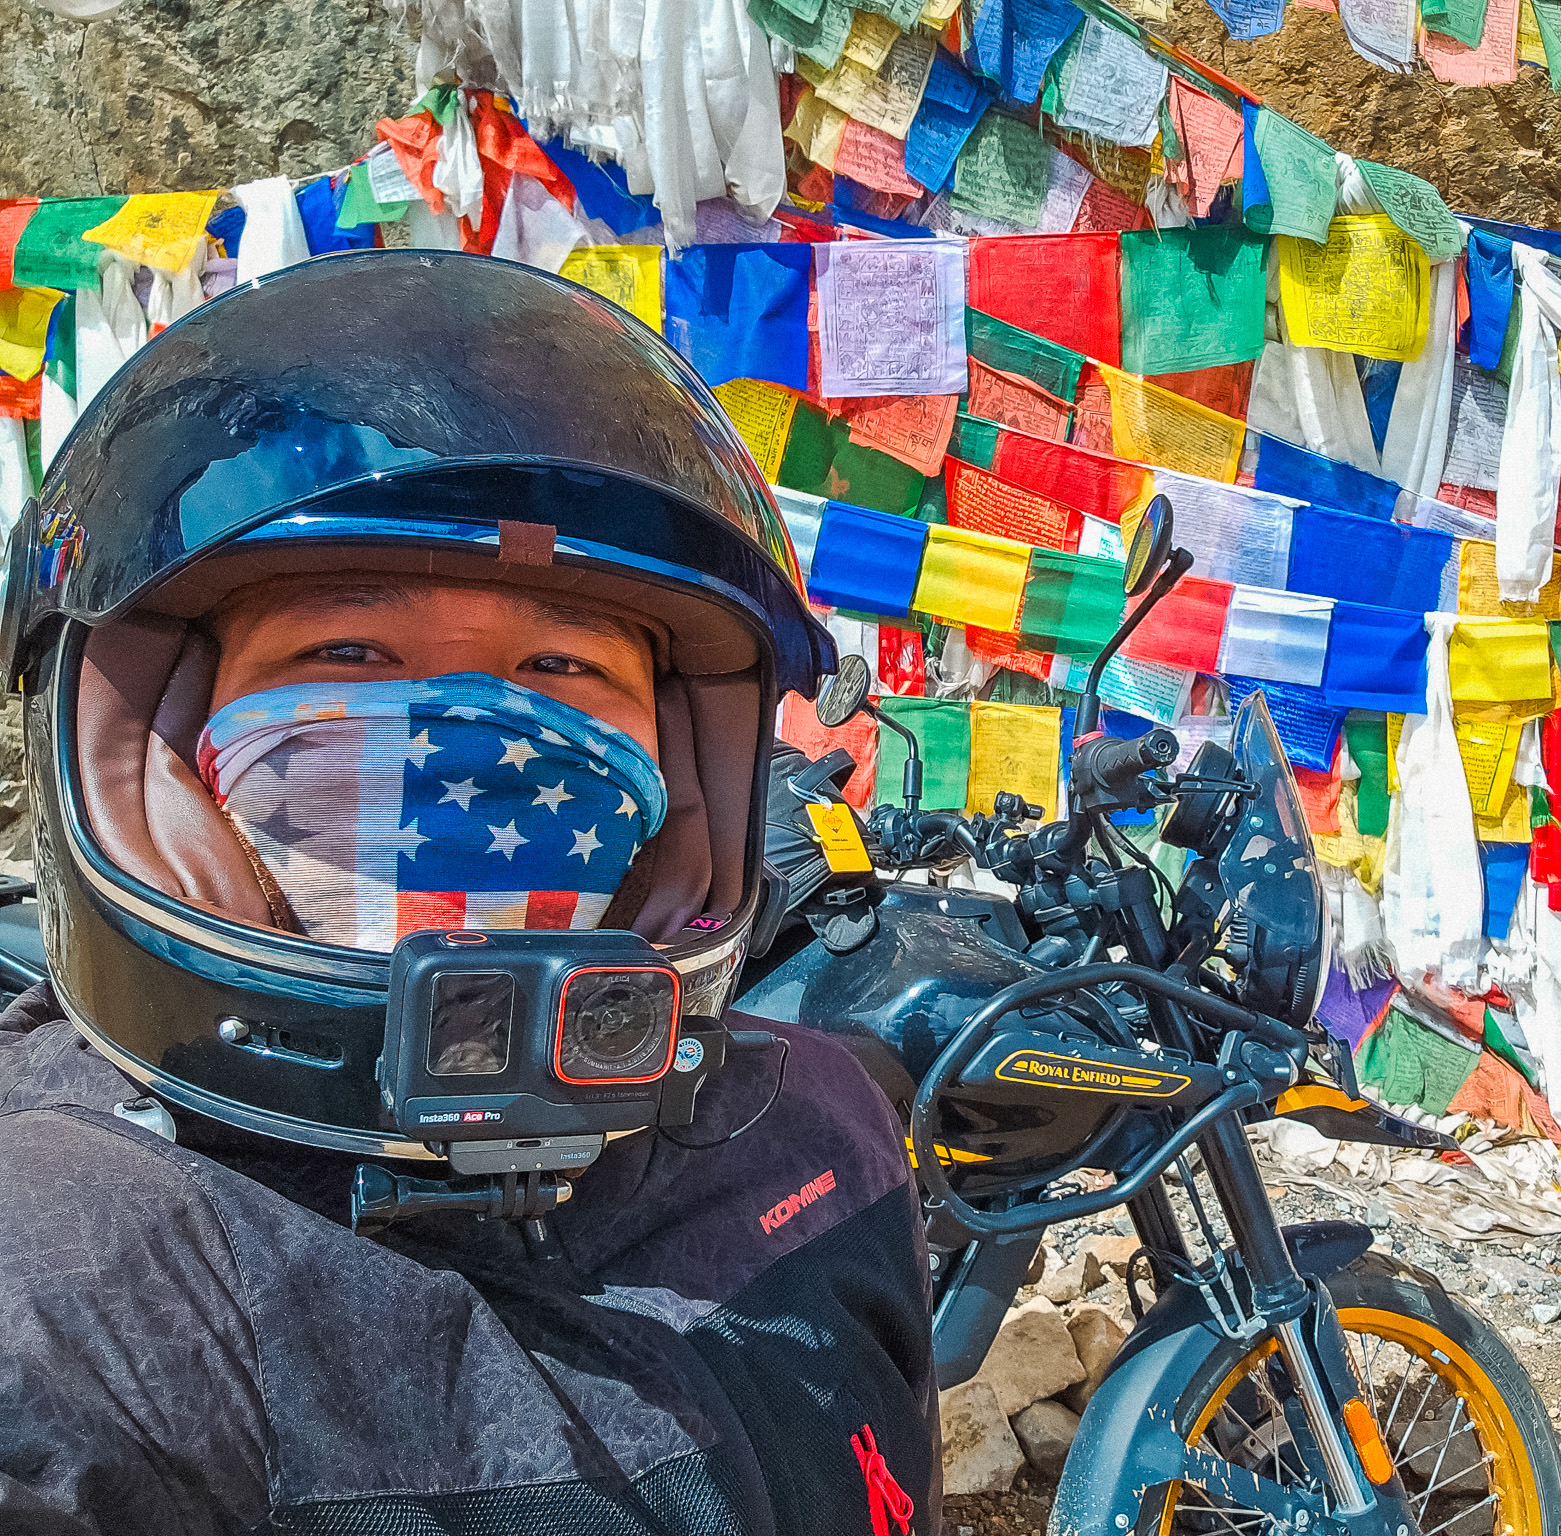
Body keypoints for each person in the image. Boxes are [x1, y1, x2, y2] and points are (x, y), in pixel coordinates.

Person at [0, 252, 938, 1535]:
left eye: (559, 665)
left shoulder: (808, 1126)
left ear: (686, 768)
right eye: (346, 652)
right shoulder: (60, 1280)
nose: (468, 726)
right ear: (147, 756)